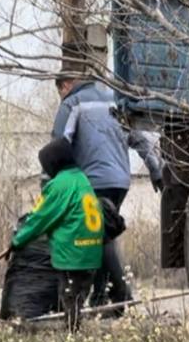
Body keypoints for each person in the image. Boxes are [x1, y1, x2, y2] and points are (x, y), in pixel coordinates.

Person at [53, 75, 133, 307]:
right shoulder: (115, 101)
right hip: (121, 180)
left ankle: (121, 293)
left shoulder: (72, 103)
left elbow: (59, 144)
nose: (62, 97)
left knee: (99, 237)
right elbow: (138, 136)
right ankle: (100, 298)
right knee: (101, 235)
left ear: (66, 85)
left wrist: (52, 184)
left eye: (61, 92)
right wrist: (156, 171)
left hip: (92, 182)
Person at [9, 137, 105, 331]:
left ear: (53, 163)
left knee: (69, 296)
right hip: (92, 251)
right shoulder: (81, 179)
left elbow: (40, 218)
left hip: (73, 253)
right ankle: (74, 329)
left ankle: (72, 336)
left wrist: (17, 241)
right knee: (78, 296)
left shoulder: (60, 185)